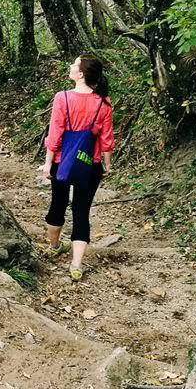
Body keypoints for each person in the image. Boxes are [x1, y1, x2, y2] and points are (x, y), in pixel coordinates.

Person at [42, 55, 115, 282]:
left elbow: (55, 134)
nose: (71, 66)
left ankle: (54, 247)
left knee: (58, 203)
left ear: (81, 73)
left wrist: (47, 162)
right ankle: (76, 265)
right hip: (89, 164)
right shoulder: (103, 103)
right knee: (82, 211)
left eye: (74, 64)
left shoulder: (62, 98)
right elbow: (106, 139)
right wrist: (107, 165)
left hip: (62, 162)